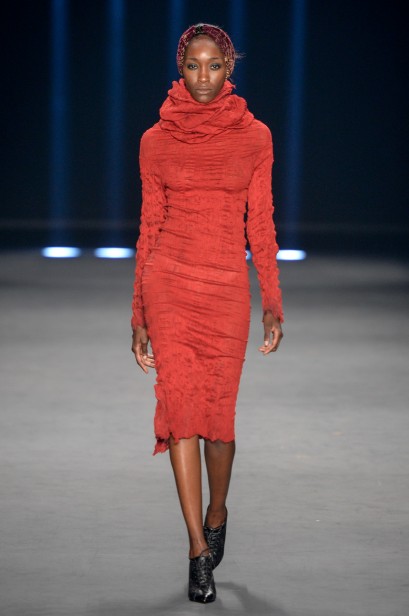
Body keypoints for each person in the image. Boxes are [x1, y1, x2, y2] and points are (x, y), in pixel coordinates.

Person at [131, 23, 283, 604]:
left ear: (229, 69)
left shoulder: (255, 137)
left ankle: (218, 511)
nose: (202, 77)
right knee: (180, 414)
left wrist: (272, 301)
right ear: (180, 67)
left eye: (213, 66)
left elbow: (261, 223)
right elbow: (148, 226)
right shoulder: (155, 140)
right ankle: (197, 549)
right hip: (168, 281)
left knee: (218, 424)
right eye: (193, 66)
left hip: (224, 288)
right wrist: (139, 312)